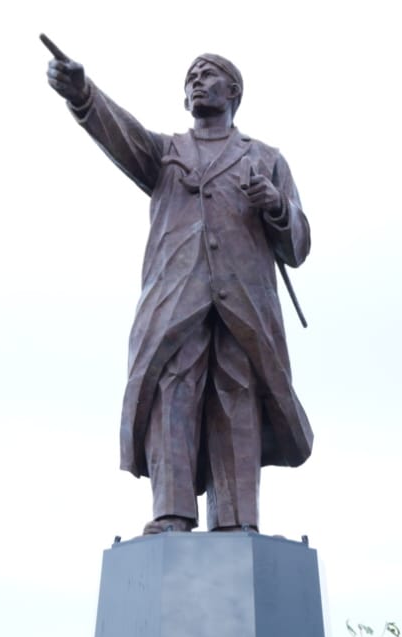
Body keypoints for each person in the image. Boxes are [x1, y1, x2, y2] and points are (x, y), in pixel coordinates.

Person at [47, 50, 311, 534]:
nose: (197, 81)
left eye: (208, 75)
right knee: (174, 391)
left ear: (234, 92)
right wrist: (84, 94)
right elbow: (120, 133)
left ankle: (237, 520)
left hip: (244, 306)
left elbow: (298, 247)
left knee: (237, 395)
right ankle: (171, 514)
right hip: (176, 300)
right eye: (190, 76)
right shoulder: (166, 153)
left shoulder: (265, 158)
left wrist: (276, 205)